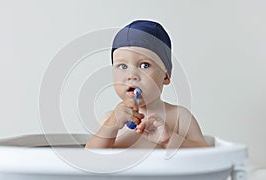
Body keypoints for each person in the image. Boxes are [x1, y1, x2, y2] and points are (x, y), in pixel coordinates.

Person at [85, 20, 208, 149]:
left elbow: (204, 153)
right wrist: (111, 126)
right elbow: (89, 157)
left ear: (165, 76)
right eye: (123, 66)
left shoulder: (179, 117)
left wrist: (169, 139)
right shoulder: (109, 119)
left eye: (144, 65)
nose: (132, 75)